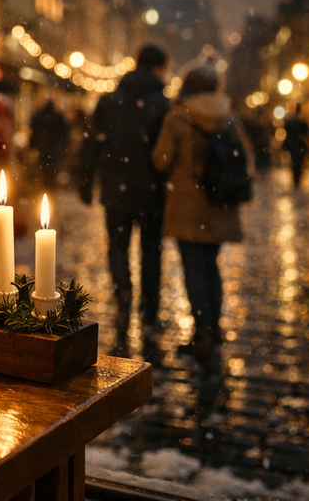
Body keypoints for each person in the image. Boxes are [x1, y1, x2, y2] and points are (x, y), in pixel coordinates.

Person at [77, 45, 170, 354]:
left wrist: (85, 183)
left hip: (116, 187)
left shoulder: (110, 100)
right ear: (158, 68)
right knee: (151, 250)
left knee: (117, 245)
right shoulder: (163, 103)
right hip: (152, 191)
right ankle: (149, 309)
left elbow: (91, 143)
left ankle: (124, 296)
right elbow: (169, 154)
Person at [152, 64, 246, 368]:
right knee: (211, 266)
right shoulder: (229, 118)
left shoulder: (178, 117)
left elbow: (161, 159)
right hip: (219, 205)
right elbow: (247, 158)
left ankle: (202, 333)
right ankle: (214, 328)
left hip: (189, 207)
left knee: (193, 269)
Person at [30, 90, 70, 190]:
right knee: (51, 172)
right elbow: (64, 133)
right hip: (53, 149)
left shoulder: (39, 115)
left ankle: (45, 190)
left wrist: (33, 146)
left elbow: (33, 132)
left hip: (43, 148)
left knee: (44, 171)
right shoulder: (57, 116)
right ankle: (49, 190)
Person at [282, 105, 309, 188]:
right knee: (299, 162)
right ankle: (297, 179)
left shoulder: (291, 121)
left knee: (295, 162)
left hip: (293, 145)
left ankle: (295, 179)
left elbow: (287, 131)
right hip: (300, 145)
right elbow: (307, 134)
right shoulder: (303, 122)